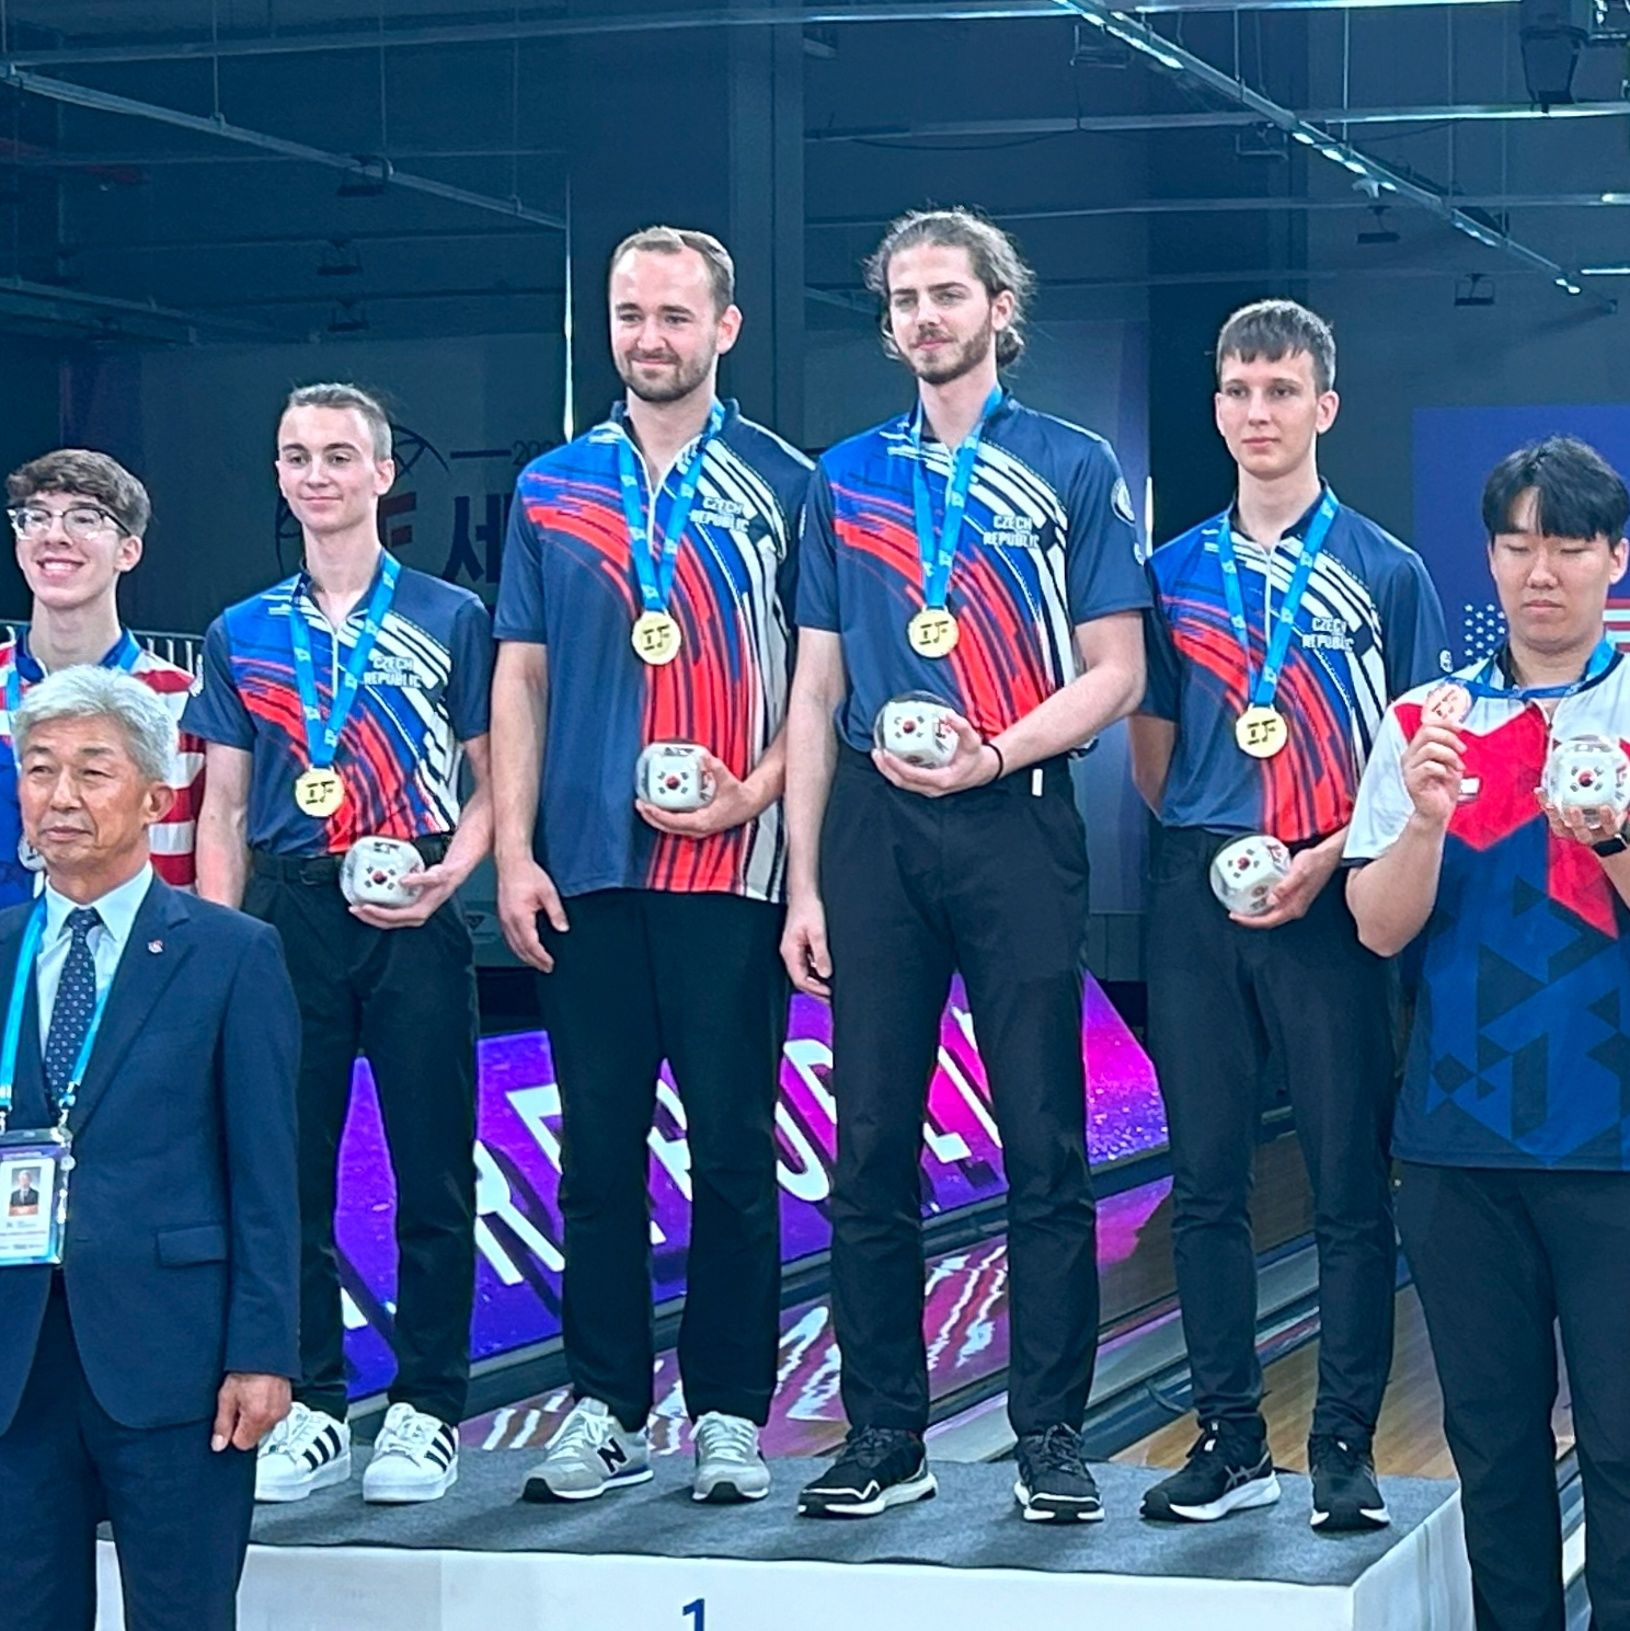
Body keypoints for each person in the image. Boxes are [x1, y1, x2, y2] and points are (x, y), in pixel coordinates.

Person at [782, 208, 1146, 1522]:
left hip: (1016, 816)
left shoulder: (1072, 465)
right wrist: (804, 878)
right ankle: (886, 1429)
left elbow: (1116, 671)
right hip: (874, 830)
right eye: (904, 299)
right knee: (870, 1141)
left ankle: (1050, 1432)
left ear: (1000, 305)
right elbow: (814, 688)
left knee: (1043, 1137)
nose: (925, 316)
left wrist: (994, 751)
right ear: (888, 323)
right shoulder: (844, 477)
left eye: (948, 292)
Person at [493, 225, 809, 1505]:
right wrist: (512, 853)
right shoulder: (549, 485)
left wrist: (755, 794)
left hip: (731, 873)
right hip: (585, 869)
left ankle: (728, 1410)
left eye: (675, 315)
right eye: (630, 314)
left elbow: (823, 684)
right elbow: (520, 677)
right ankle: (607, 1402)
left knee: (732, 1152)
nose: (649, 337)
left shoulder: (788, 484)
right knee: (597, 1159)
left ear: (724, 328)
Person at [1128, 299, 1449, 1531]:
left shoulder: (1387, 572)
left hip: (1336, 896)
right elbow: (1154, 758)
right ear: (1216, 408)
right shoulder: (1171, 574)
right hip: (1198, 893)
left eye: (1279, 390)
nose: (1256, 412)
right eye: (1237, 390)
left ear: (1324, 405)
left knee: (1346, 1185)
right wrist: (1223, 850)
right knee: (1205, 1181)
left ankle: (1343, 1446)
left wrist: (1319, 857)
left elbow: (1415, 760)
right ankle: (1228, 1439)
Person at [186, 383, 494, 1506]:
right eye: (296, 456)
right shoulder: (242, 629)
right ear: (280, 476)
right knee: (286, 1173)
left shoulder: (452, 616)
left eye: (337, 455)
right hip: (289, 913)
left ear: (381, 474)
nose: (316, 474)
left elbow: (493, 781)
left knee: (431, 1167)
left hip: (414, 900)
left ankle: (428, 1404)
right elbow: (223, 807)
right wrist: (220, 949)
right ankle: (310, 1399)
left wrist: (454, 874)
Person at [1347, 435, 1630, 1629]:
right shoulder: (1428, 719)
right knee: (1494, 1447)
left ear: (1614, 557)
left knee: (1622, 1448)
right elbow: (1376, 926)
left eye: (1566, 544)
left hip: (1614, 1144)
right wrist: (1420, 819)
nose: (1539, 571)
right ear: (1490, 559)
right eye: (1517, 545)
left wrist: (1611, 835)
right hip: (1460, 1143)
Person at [0, 665, 299, 1631]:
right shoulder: (3, 946)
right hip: (14, 1362)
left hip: (178, 1361)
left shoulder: (231, 952)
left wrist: (263, 1352)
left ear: (155, 799)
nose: (60, 795)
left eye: (92, 771)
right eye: (39, 769)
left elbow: (267, 1177)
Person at [2, 449, 203, 908]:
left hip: (140, 949)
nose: (55, 535)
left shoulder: (185, 703)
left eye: (84, 518)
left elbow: (209, 859)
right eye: (36, 517)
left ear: (128, 551)